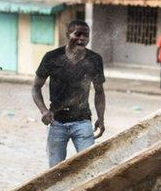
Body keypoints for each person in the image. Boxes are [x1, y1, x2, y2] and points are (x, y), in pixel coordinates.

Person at [32, 20, 106, 168]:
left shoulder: (95, 60)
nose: (82, 38)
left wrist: (101, 118)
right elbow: (35, 88)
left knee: (91, 166)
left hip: (83, 122)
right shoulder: (52, 57)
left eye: (86, 35)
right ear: (67, 35)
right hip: (57, 123)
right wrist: (44, 110)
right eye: (77, 34)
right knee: (56, 171)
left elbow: (99, 92)